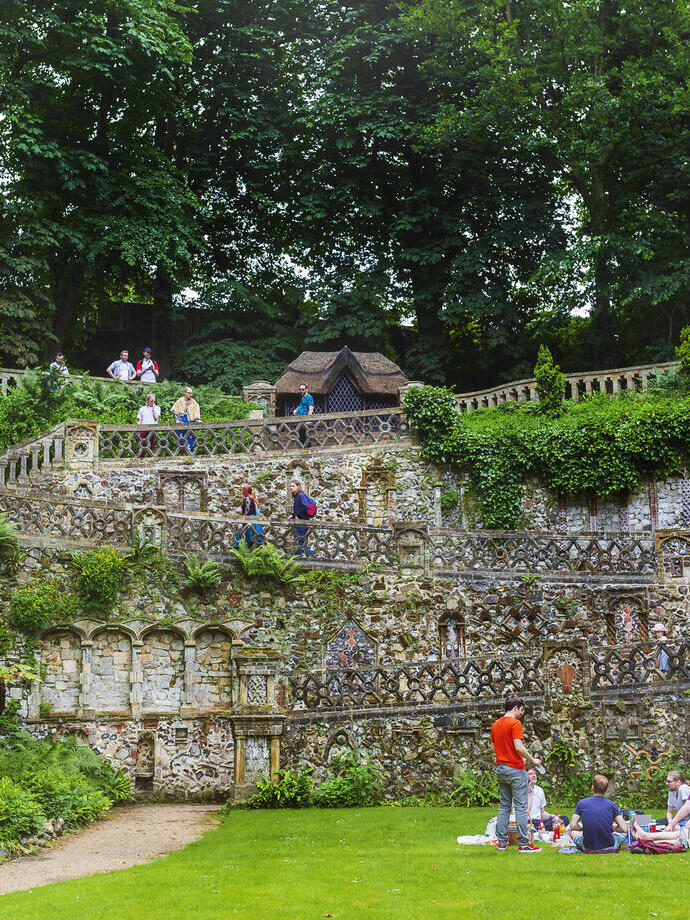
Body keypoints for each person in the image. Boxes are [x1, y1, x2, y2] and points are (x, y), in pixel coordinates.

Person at [490, 695, 542, 852]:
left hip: (501, 768)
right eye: (521, 710)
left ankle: (501, 842)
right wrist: (532, 759)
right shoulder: (515, 723)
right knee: (520, 806)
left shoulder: (496, 724)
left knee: (504, 805)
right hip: (515, 768)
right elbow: (518, 746)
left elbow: (493, 748)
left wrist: (504, 754)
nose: (521, 713)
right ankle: (524, 843)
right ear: (515, 708)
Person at [567, 774, 628, 852]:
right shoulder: (612, 805)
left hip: (588, 846)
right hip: (610, 846)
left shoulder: (581, 803)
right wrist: (612, 827)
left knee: (573, 833)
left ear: (592, 787)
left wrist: (585, 827)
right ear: (606, 790)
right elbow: (624, 828)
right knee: (622, 835)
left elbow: (573, 826)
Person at [526, 767, 568, 832]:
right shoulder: (519, 790)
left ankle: (540, 829)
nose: (534, 775)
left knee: (564, 819)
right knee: (530, 825)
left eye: (535, 773)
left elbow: (542, 813)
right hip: (526, 821)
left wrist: (552, 816)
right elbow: (525, 813)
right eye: (530, 774)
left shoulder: (539, 790)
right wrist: (530, 794)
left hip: (539, 822)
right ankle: (538, 829)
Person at [171, 386, 201, 452]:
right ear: (184, 393)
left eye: (191, 393)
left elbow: (196, 411)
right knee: (182, 440)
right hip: (182, 421)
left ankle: (189, 454)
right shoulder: (180, 401)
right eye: (188, 393)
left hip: (190, 422)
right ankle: (183, 454)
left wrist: (197, 419)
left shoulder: (193, 402)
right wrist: (177, 420)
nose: (190, 394)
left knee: (190, 440)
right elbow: (175, 411)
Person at [291, 478, 314, 557]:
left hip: (302, 522)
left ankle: (300, 559)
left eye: (293, 486)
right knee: (300, 542)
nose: (291, 488)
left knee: (299, 542)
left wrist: (298, 515)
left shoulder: (301, 495)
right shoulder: (297, 496)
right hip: (299, 522)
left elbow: (305, 507)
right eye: (291, 486)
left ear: (298, 487)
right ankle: (299, 558)